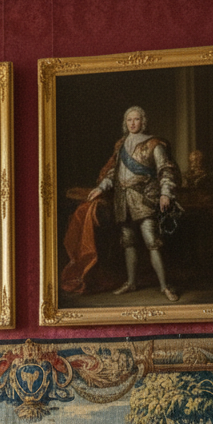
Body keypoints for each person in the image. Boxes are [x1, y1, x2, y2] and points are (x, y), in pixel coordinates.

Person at [88, 105, 179, 302]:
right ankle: (131, 282)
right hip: (123, 200)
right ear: (125, 122)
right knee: (128, 242)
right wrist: (101, 187)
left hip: (145, 198)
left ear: (143, 122)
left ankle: (165, 286)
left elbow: (165, 169)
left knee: (152, 242)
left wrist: (165, 193)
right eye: (129, 120)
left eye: (136, 119)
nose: (132, 123)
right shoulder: (120, 145)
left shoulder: (155, 144)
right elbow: (113, 172)